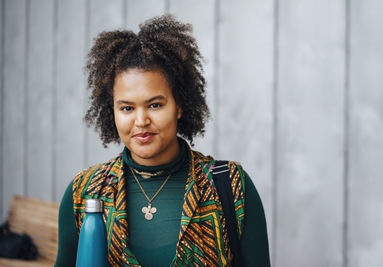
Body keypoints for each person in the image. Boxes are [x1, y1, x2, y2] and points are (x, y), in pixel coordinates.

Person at [56, 15, 270, 267]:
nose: (141, 120)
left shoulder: (232, 188)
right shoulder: (84, 193)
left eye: (155, 105)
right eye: (126, 108)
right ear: (111, 110)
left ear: (179, 105)